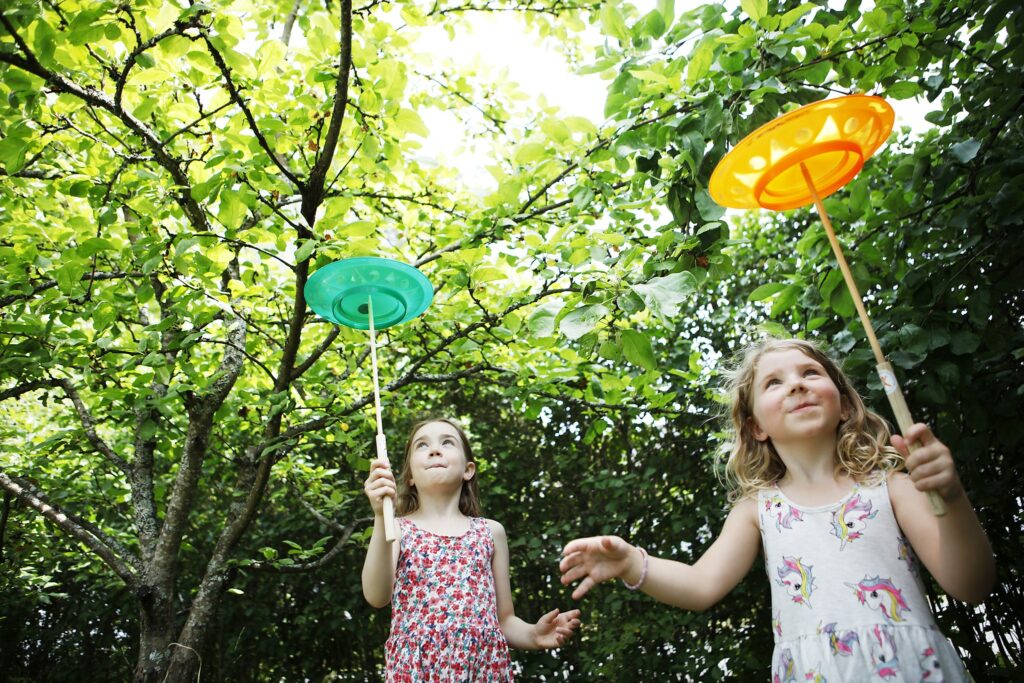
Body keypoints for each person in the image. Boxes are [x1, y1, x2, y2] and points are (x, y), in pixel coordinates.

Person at [559, 337, 994, 681]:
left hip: (911, 669)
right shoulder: (757, 509)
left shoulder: (890, 486)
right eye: (775, 382)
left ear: (843, 405)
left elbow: (971, 585)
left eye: (810, 372)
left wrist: (951, 499)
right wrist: (632, 561)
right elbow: (700, 584)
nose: (797, 384)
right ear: (756, 427)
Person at [363, 417, 581, 682]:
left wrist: (534, 634)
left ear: (468, 470)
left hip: (484, 670)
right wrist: (379, 515)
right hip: (417, 671)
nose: (434, 449)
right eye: (422, 445)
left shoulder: (490, 532)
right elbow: (376, 595)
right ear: (409, 476)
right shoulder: (396, 529)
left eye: (447, 442)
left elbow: (505, 620)